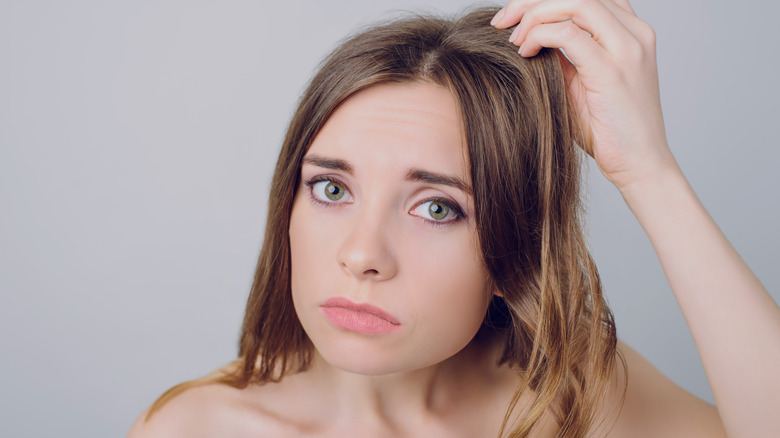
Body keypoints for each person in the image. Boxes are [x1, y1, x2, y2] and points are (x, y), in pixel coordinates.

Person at [127, 1, 779, 437]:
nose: (361, 254)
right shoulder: (196, 428)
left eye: (437, 208)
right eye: (330, 188)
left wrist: (649, 173)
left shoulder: (573, 399)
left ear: (513, 250)